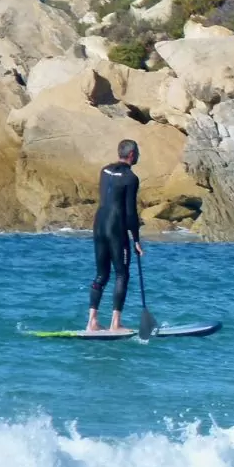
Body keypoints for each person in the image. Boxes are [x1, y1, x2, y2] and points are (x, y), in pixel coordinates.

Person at [86, 139, 143, 332]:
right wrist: (136, 239)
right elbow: (130, 212)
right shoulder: (131, 178)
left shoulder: (104, 171)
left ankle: (92, 321)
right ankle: (115, 323)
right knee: (122, 274)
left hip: (99, 225)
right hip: (116, 227)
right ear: (132, 155)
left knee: (101, 274)